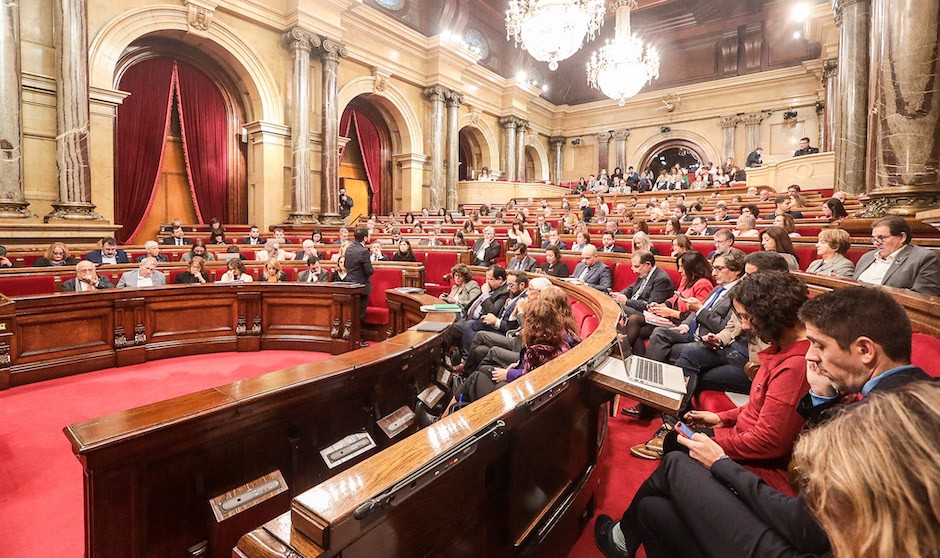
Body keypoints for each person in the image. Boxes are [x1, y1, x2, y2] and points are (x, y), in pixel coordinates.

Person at [797, 285, 934, 424]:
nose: (810, 356)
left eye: (820, 346)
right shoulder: (931, 391)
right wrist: (822, 393)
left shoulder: (862, 425)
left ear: (865, 350)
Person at [446, 286, 579, 408]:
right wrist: (517, 365)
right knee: (483, 361)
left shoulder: (553, 336)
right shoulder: (557, 330)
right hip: (523, 368)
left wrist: (509, 374)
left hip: (520, 395)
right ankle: (464, 393)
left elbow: (533, 371)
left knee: (484, 363)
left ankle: (452, 410)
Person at [644, 249, 745, 364]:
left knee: (669, 348)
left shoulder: (739, 294)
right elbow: (696, 311)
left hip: (708, 339)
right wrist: (685, 325)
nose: (713, 273)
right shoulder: (718, 289)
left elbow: (724, 327)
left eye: (719, 269)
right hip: (691, 331)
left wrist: (699, 309)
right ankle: (647, 374)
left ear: (737, 270)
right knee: (659, 332)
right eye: (713, 268)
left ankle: (655, 376)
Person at [614, 250, 682, 356]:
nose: (634, 270)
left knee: (616, 308)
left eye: (636, 267)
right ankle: (629, 355)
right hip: (638, 312)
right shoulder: (645, 274)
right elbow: (631, 289)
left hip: (652, 316)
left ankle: (617, 351)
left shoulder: (662, 279)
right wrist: (618, 295)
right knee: (615, 304)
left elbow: (650, 306)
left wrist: (626, 301)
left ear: (648, 265)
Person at [853, 215, 940, 295]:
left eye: (881, 238)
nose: (876, 243)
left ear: (902, 237)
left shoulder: (924, 258)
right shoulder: (867, 257)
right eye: (874, 239)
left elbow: (924, 297)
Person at [344, 227, 374, 324]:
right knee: (359, 315)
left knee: (351, 313)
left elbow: (345, 265)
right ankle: (357, 337)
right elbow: (369, 271)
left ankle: (352, 337)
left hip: (349, 285)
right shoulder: (364, 251)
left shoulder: (349, 248)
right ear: (365, 238)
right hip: (361, 287)